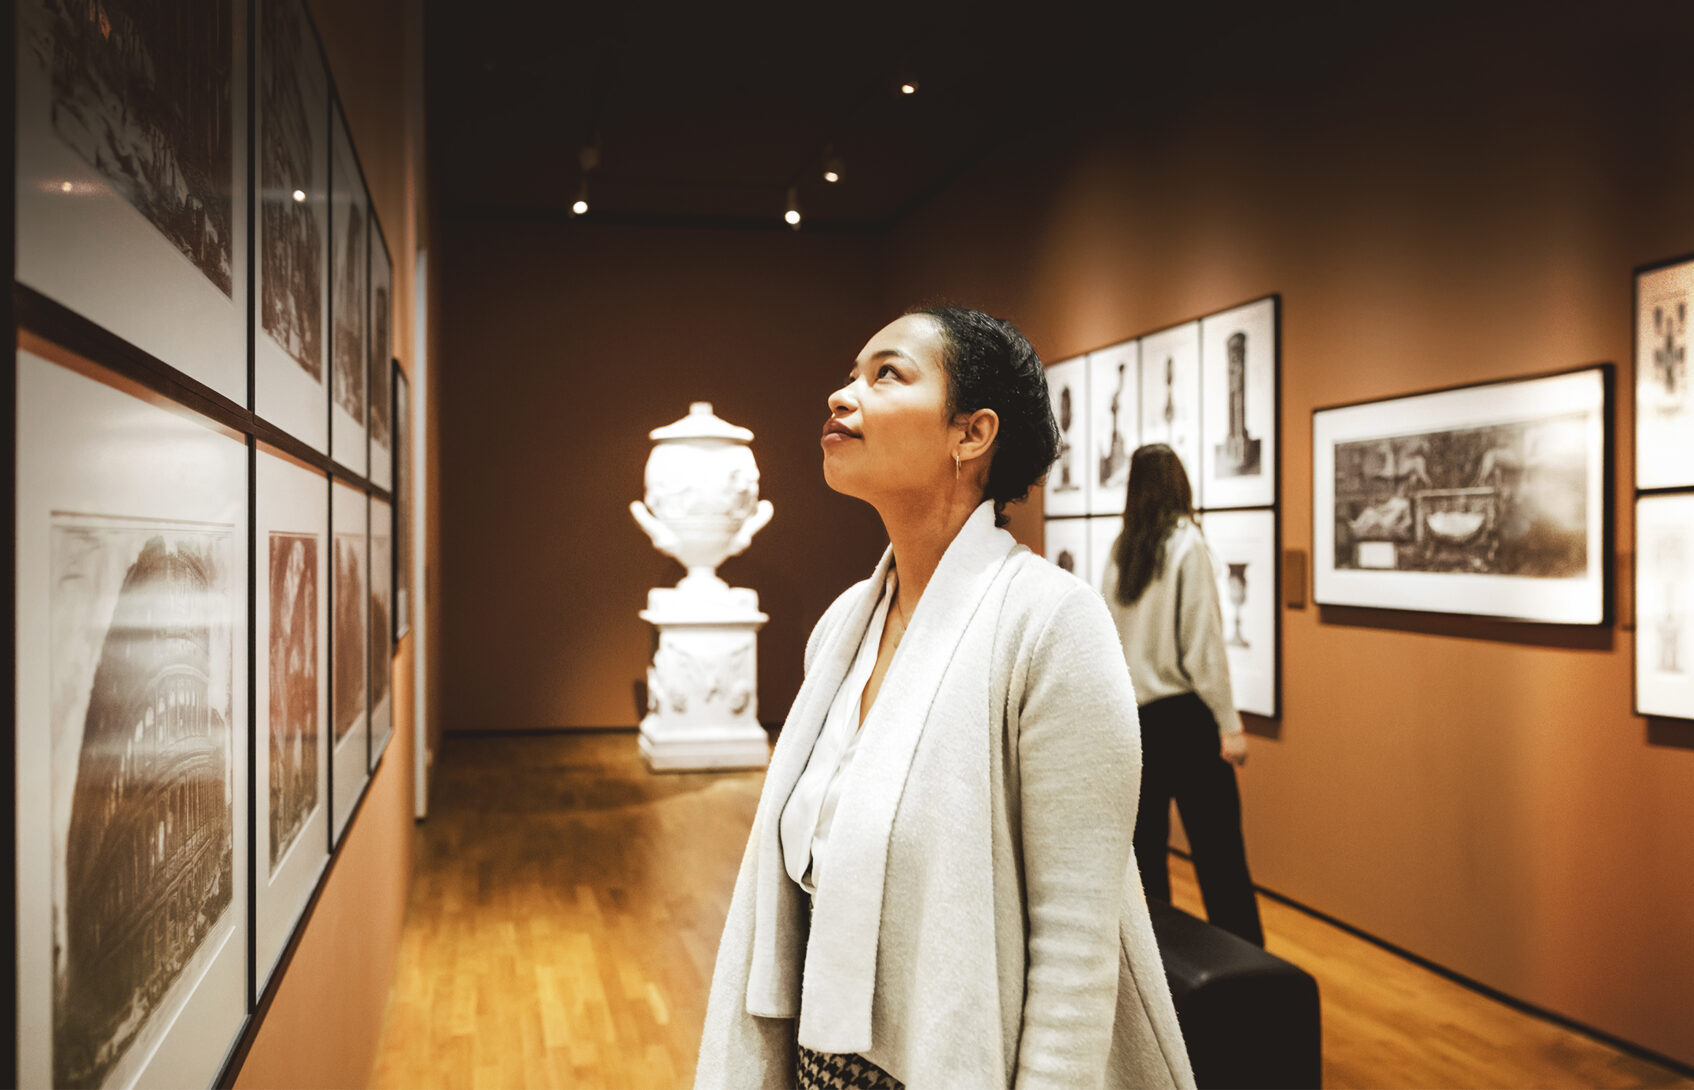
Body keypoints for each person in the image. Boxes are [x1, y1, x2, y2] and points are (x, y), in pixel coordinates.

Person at [696, 309, 1194, 1090]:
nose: (841, 394)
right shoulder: (841, 631)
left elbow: (1074, 946)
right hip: (817, 1066)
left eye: (885, 374)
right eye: (850, 372)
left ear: (973, 434)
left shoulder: (1052, 624)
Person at [1101, 444, 1265, 947]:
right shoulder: (1187, 544)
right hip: (1184, 720)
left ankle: (1162, 991)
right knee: (1220, 861)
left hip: (1135, 721)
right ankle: (1253, 988)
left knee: (1146, 864)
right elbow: (1203, 650)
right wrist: (1229, 725)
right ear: (1180, 484)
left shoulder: (1121, 549)